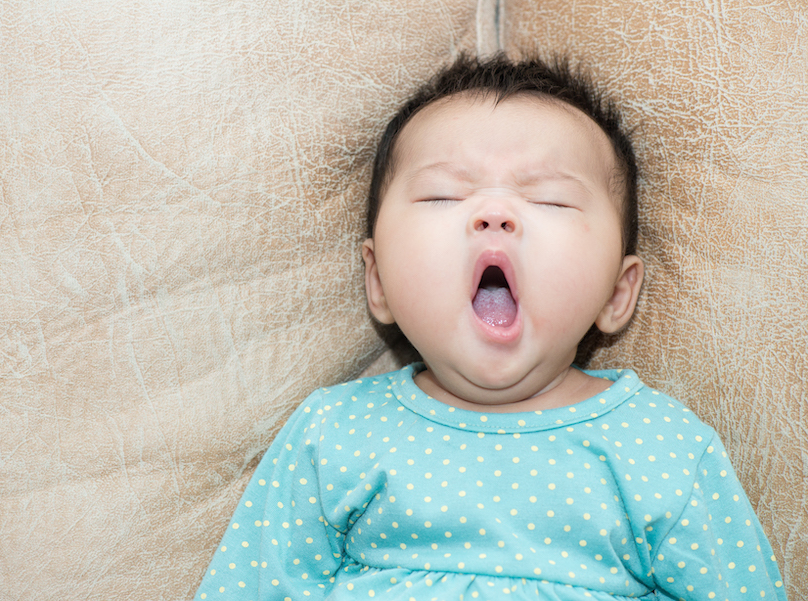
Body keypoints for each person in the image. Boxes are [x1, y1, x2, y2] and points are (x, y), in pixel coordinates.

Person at [192, 54, 786, 601]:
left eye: (550, 200)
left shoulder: (665, 448)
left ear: (617, 293)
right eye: (442, 195)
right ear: (378, 282)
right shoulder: (334, 432)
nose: (493, 213)